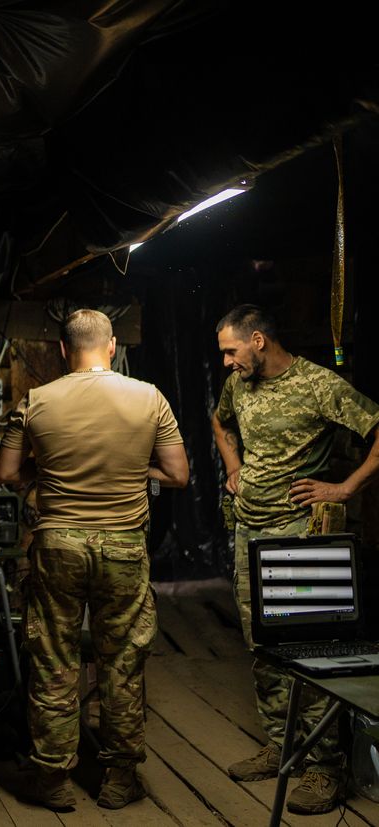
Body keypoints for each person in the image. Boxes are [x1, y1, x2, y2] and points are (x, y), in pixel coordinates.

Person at [0, 308, 188, 811]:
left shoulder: (35, 400)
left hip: (58, 544)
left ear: (63, 349)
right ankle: (119, 779)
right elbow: (178, 474)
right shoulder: (149, 397)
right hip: (124, 543)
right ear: (112, 345)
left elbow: (5, 472)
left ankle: (54, 779)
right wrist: (131, 469)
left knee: (54, 660)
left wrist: (45, 476)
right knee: (122, 662)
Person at [211, 303, 379, 814]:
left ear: (258, 341)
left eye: (231, 351)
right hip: (248, 529)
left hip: (297, 534)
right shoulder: (239, 384)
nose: (226, 362)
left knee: (308, 645)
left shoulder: (319, 385)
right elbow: (219, 423)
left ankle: (324, 767)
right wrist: (234, 466)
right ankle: (281, 743)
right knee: (261, 641)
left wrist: (345, 487)